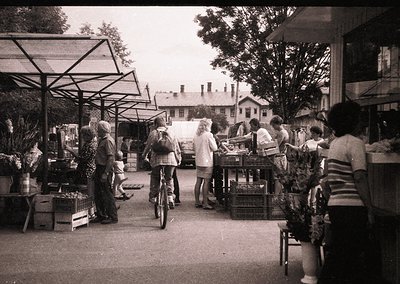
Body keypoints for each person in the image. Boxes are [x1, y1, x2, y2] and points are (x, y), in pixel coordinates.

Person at [318, 101, 375, 284]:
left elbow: (327, 180)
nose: (362, 123)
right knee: (351, 257)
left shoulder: (335, 144)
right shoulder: (355, 143)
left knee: (339, 253)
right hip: (353, 208)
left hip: (336, 206)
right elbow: (359, 177)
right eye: (359, 119)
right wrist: (370, 208)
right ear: (351, 121)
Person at [142, 117, 181, 209]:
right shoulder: (171, 132)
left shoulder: (153, 133)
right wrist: (179, 159)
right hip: (171, 160)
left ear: (155, 125)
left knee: (155, 176)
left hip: (157, 160)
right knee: (169, 178)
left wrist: (144, 156)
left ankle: (154, 196)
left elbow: (148, 146)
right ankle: (170, 197)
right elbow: (176, 148)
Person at [93, 120, 118, 225]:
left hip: (104, 168)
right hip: (100, 167)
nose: (97, 131)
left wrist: (106, 173)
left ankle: (112, 216)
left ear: (102, 130)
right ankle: (101, 214)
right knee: (99, 193)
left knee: (107, 193)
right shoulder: (103, 140)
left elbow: (110, 158)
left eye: (98, 129)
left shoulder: (107, 141)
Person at [193, 118, 218, 210]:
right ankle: (205, 203)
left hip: (199, 161)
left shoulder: (196, 136)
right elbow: (215, 148)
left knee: (198, 181)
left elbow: (194, 148)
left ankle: (197, 202)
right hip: (207, 161)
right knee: (206, 182)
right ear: (208, 126)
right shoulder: (208, 135)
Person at [269, 115, 289, 193]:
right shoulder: (284, 132)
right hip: (282, 156)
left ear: (278, 124)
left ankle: (276, 197)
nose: (273, 127)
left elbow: (276, 145)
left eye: (273, 125)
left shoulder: (281, 133)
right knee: (280, 177)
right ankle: (279, 197)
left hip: (279, 157)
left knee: (277, 178)